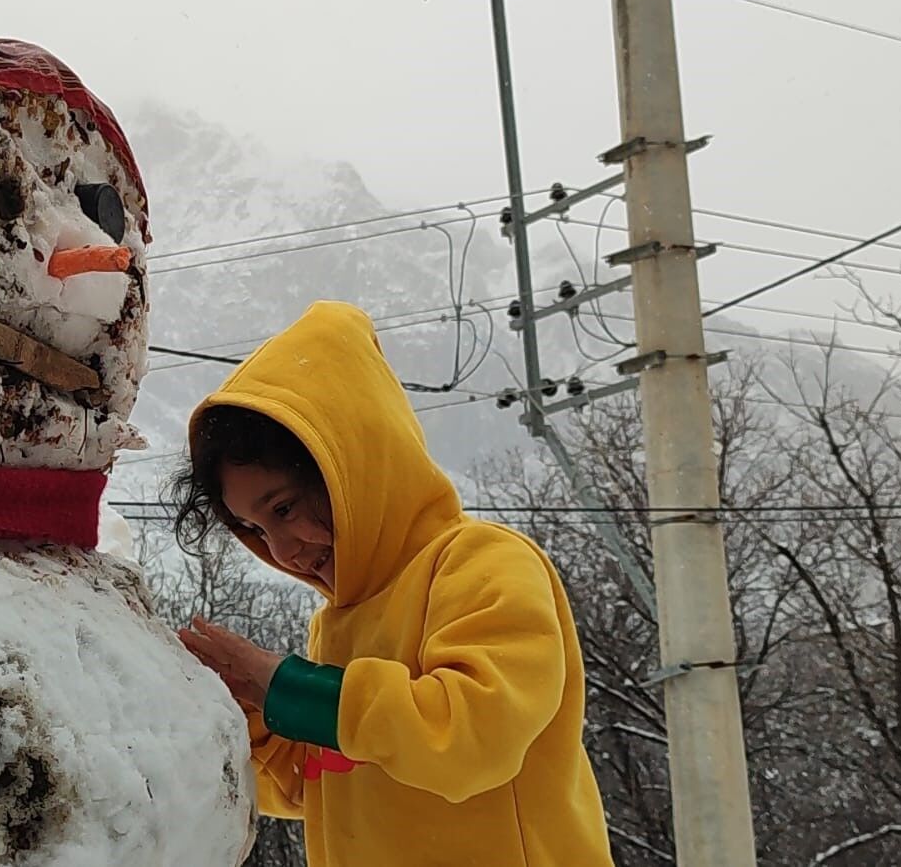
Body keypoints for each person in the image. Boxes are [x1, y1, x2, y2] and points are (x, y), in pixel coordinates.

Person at [172, 301, 613, 866]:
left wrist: (287, 685)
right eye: (256, 528)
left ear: (356, 466)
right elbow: (323, 782)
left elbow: (470, 738)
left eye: (284, 507)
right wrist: (248, 710)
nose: (280, 549)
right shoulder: (336, 625)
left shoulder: (481, 562)